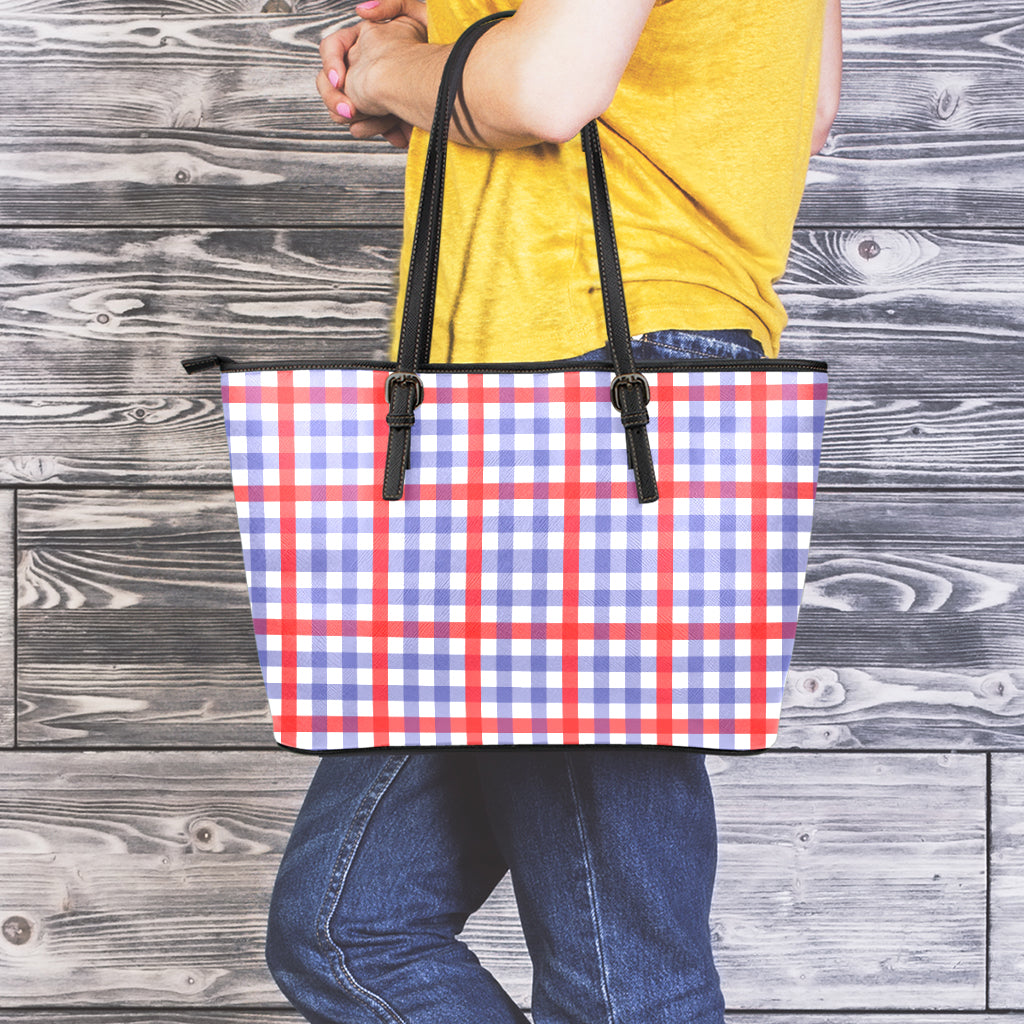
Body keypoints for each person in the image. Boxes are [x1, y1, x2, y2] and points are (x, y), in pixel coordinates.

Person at [264, 2, 842, 1023]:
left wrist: (392, 68)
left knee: (623, 980)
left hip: (582, 385)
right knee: (346, 927)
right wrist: (439, 72)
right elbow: (796, 106)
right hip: (536, 404)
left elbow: (542, 90)